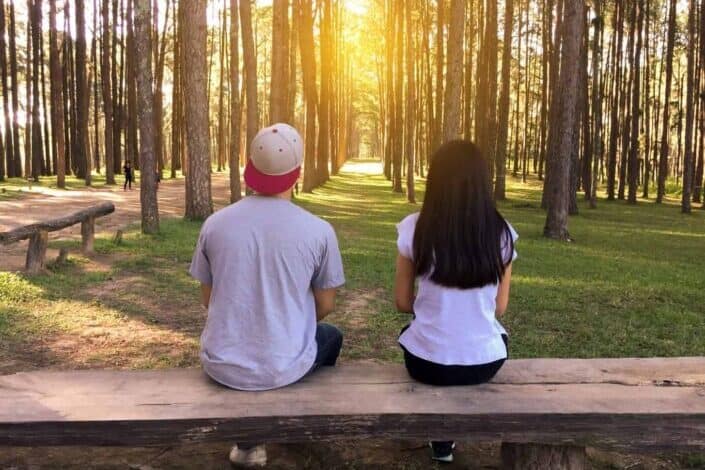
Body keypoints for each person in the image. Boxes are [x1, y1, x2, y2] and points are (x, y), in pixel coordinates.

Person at [189, 123, 346, 468]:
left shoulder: (215, 224)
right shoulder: (319, 231)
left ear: (249, 167)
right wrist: (286, 318)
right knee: (330, 338)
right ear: (298, 174)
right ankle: (298, 422)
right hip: (283, 365)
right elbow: (326, 306)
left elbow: (207, 300)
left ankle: (248, 445)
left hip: (221, 362)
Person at [393, 140, 518, 464]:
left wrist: (433, 305)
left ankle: (442, 440)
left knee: (426, 335)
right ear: (482, 183)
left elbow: (402, 302)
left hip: (426, 364)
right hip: (484, 364)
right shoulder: (503, 234)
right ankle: (445, 441)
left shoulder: (413, 228)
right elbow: (499, 309)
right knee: (491, 334)